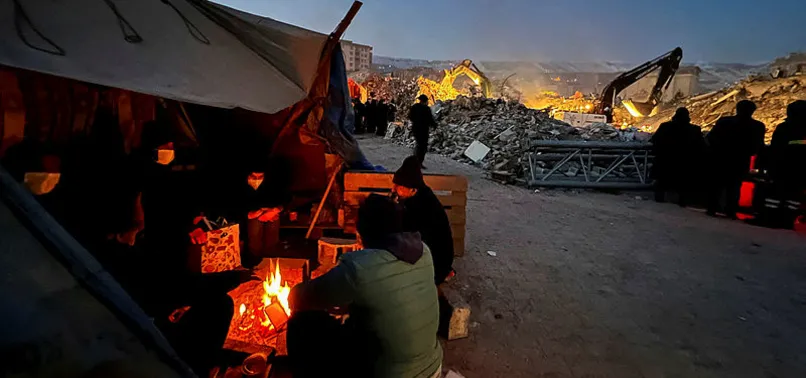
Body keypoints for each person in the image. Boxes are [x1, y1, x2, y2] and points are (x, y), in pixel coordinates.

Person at [288, 194, 442, 378]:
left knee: (300, 324)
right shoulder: (423, 250)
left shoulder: (360, 268)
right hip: (432, 366)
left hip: (392, 373)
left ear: (363, 230)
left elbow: (303, 297)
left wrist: (293, 295)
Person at [393, 156, 454, 285]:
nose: (394, 190)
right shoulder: (418, 197)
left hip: (434, 265)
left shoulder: (421, 205)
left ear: (412, 189)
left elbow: (407, 233)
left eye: (399, 187)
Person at [706, 100, 766, 218]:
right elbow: (758, 146)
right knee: (734, 186)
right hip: (741, 160)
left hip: (721, 158)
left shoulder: (724, 122)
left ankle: (712, 208)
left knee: (717, 184)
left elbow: (711, 138)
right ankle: (730, 210)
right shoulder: (757, 126)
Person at [650, 107, 706, 206]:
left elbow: (654, 140)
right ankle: (682, 201)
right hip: (685, 163)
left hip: (665, 161)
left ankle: (660, 199)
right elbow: (701, 145)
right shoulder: (694, 129)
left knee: (661, 182)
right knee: (683, 184)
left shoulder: (665, 127)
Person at [765, 100, 806, 227]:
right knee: (793, 195)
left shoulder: (785, 128)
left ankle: (770, 218)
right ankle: (788, 220)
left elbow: (776, 148)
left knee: (775, 194)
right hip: (800, 169)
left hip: (783, 166)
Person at [409, 94, 437, 168]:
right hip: (423, 130)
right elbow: (430, 119)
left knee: (418, 145)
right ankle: (419, 162)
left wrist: (415, 122)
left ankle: (415, 161)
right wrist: (435, 126)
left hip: (415, 129)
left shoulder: (414, 107)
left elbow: (410, 117)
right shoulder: (426, 109)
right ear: (425, 101)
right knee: (422, 147)